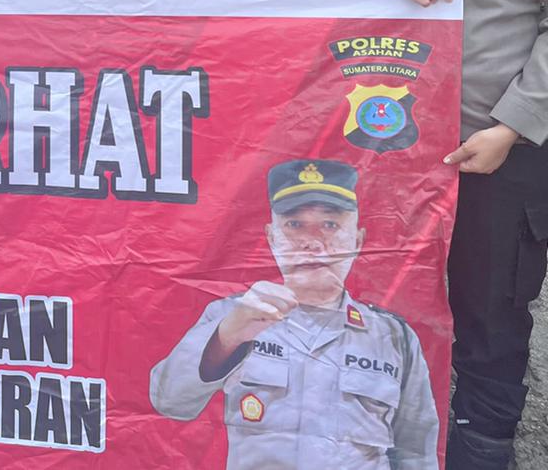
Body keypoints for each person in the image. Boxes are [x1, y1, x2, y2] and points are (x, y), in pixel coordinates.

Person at [315, 0, 547, 470]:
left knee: (489, 320)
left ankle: (481, 452)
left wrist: (512, 125)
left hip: (494, 148)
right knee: (384, 306)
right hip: (392, 146)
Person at [149, 159, 438, 469]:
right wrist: (227, 337)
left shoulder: (392, 337)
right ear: (272, 238)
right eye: (294, 225)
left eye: (330, 225)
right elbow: (169, 401)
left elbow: (415, 453)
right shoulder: (233, 315)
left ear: (357, 240)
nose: (311, 242)